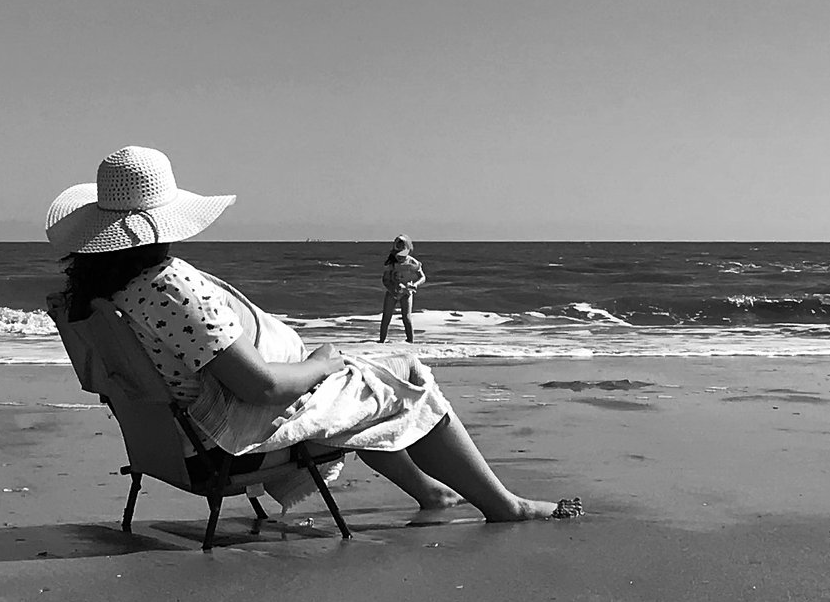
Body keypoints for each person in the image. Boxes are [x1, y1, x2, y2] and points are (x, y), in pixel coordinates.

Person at [49, 148, 580, 522]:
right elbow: (262, 387)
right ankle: (504, 506)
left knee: (368, 381)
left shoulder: (98, 294)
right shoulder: (167, 286)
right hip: (225, 437)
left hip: (172, 439)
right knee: (403, 374)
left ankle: (431, 493)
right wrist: (322, 362)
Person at [378, 236, 426, 344]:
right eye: (398, 253)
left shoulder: (412, 262)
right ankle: (381, 341)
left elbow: (422, 277)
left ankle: (410, 341)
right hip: (392, 292)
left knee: (407, 318)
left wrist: (415, 285)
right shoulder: (391, 263)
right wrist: (392, 289)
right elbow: (385, 280)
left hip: (407, 292)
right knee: (386, 317)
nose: (400, 257)